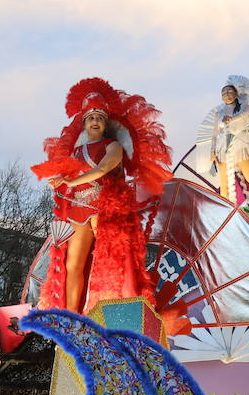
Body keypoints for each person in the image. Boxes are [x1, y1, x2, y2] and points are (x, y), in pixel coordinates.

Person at [31, 77, 171, 317]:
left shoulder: (113, 146)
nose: (95, 121)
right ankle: (72, 316)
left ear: (106, 124)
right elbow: (67, 181)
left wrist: (70, 180)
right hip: (78, 209)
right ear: (84, 124)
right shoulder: (75, 152)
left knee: (108, 263)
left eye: (99, 118)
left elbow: (103, 169)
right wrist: (60, 182)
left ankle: (107, 314)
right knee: (72, 264)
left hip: (105, 208)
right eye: (91, 118)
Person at [193, 75, 249, 203]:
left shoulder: (243, 107)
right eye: (223, 93)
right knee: (224, 181)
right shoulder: (219, 113)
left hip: (238, 143)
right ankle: (225, 207)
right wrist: (212, 151)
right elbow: (215, 134)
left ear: (236, 93)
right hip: (222, 147)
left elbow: (247, 112)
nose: (227, 94)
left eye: (229, 91)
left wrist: (233, 119)